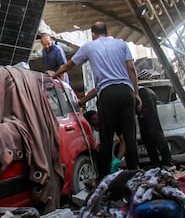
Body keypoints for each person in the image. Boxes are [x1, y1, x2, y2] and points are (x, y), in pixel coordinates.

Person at [51, 21, 142, 181]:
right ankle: (134, 173)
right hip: (126, 91)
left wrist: (52, 76)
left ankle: (104, 178)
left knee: (106, 137)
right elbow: (132, 69)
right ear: (106, 31)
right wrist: (136, 94)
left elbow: (68, 65)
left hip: (107, 94)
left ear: (93, 34)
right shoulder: (121, 44)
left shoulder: (89, 47)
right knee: (129, 135)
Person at [137, 87, 175, 170]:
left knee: (153, 129)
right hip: (142, 94)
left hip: (143, 94)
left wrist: (136, 94)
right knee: (146, 133)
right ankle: (155, 164)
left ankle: (168, 162)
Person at [84, 109, 126, 174]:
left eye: (95, 118)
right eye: (93, 122)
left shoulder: (111, 122)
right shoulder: (91, 133)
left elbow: (123, 141)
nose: (96, 121)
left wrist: (117, 160)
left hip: (116, 155)